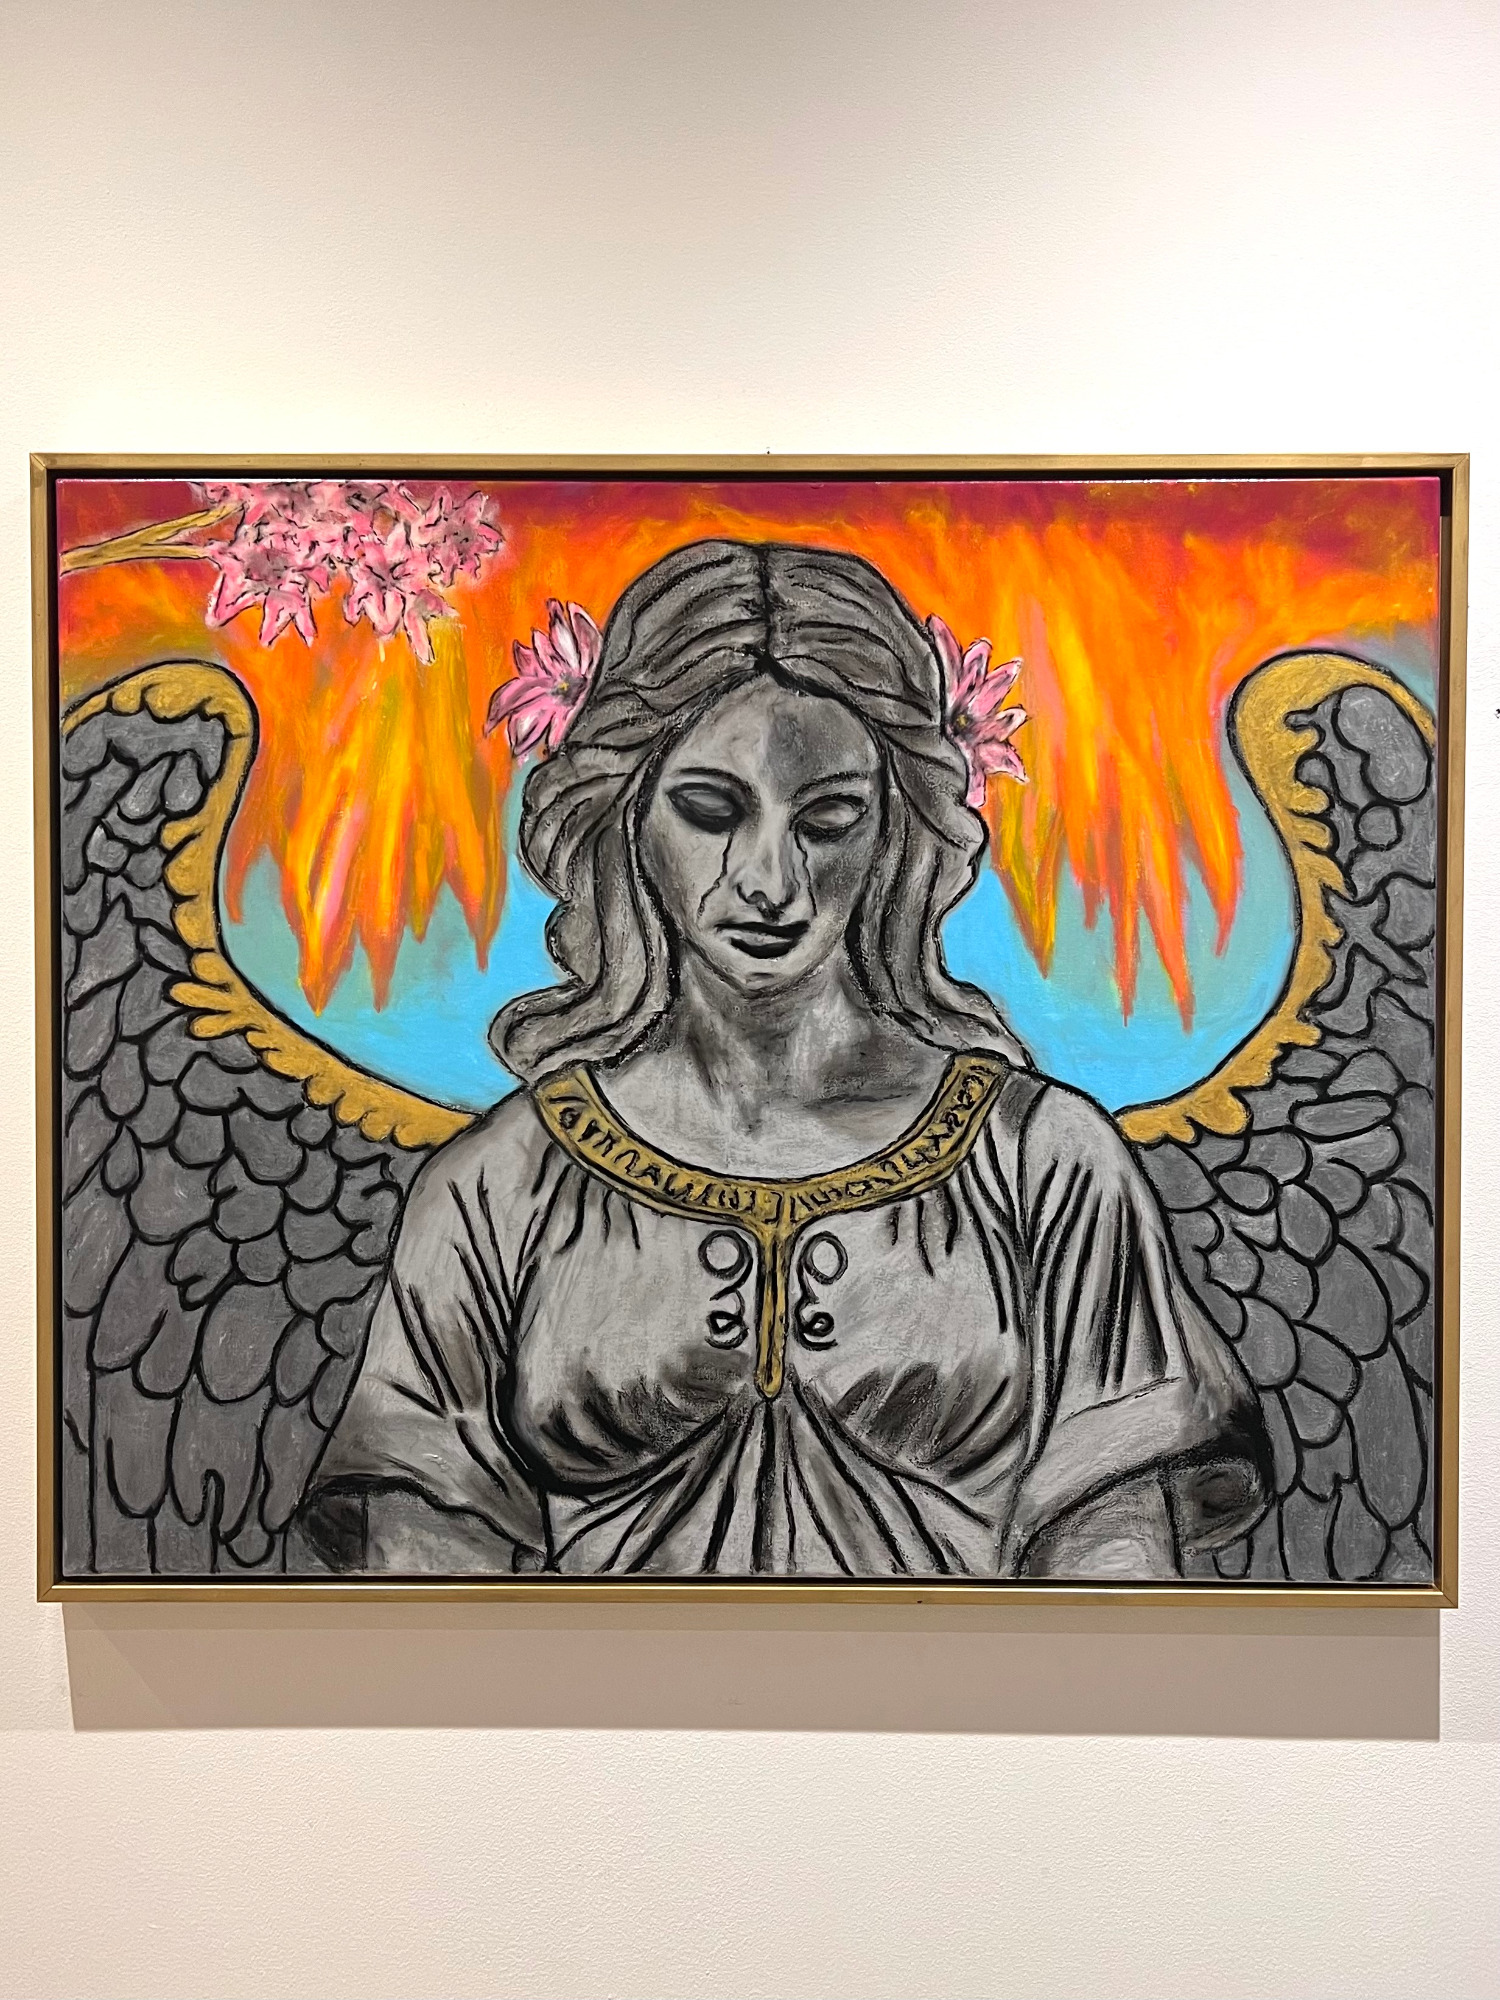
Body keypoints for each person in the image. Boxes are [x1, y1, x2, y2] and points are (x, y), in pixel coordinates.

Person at [304, 539, 1270, 1578]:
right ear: (627, 817)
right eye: (711, 811)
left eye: (828, 819)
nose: (772, 881)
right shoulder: (496, 1185)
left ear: (895, 831)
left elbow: (1116, 1586)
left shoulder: (1046, 1162)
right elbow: (425, 1589)